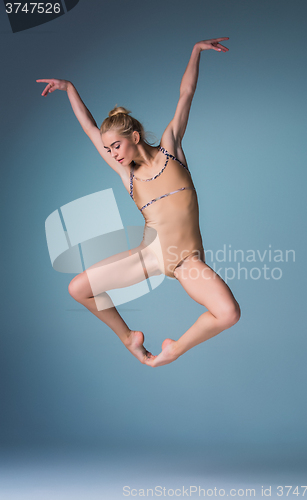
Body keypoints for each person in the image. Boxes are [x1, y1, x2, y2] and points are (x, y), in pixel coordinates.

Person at [37, 37, 241, 368]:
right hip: (148, 255)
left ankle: (174, 350)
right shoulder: (127, 175)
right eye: (108, 150)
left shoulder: (170, 148)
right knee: (78, 288)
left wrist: (195, 50)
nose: (113, 155)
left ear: (133, 137)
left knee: (229, 312)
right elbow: (90, 129)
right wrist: (69, 87)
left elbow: (186, 94)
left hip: (184, 260)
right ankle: (127, 337)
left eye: (116, 146)